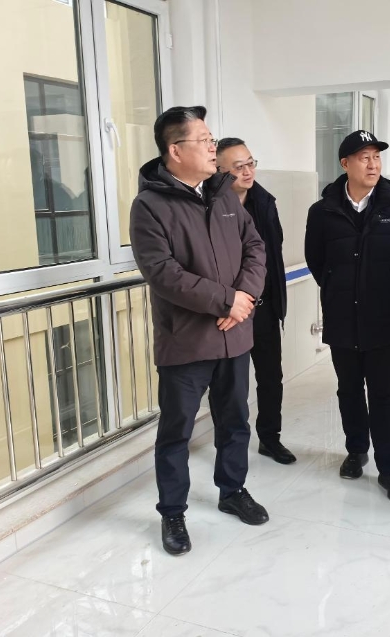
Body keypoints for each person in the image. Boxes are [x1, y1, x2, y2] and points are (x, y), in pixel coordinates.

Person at [130, 106, 269, 557]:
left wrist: (244, 297)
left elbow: (255, 246)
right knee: (177, 432)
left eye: (212, 140)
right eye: (204, 140)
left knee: (235, 422)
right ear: (175, 150)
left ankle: (233, 491)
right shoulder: (150, 206)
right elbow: (163, 273)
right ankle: (173, 512)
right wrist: (226, 300)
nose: (213, 148)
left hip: (235, 336)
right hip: (187, 341)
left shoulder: (223, 194)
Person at [305, 130, 390, 503]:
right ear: (345, 164)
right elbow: (316, 260)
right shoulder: (323, 211)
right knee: (349, 390)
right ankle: (356, 451)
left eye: (377, 157)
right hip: (341, 318)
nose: (373, 165)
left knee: (385, 394)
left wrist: (389, 289)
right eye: (364, 158)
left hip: (385, 319)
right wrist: (338, 288)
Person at [216, 138, 296, 465]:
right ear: (219, 170)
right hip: (231, 311)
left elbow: (272, 253)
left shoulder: (265, 202)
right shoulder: (210, 206)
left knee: (270, 377)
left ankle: (270, 438)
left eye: (251, 163)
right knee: (232, 384)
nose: (248, 171)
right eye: (239, 167)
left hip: (264, 307)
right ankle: (229, 445)